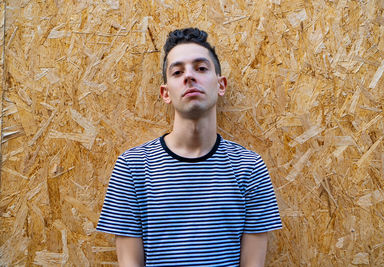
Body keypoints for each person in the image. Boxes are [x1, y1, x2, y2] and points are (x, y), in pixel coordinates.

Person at [96, 27, 282, 267]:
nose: (189, 76)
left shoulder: (250, 168)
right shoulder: (132, 168)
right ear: (165, 93)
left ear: (221, 85)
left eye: (201, 68)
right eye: (177, 71)